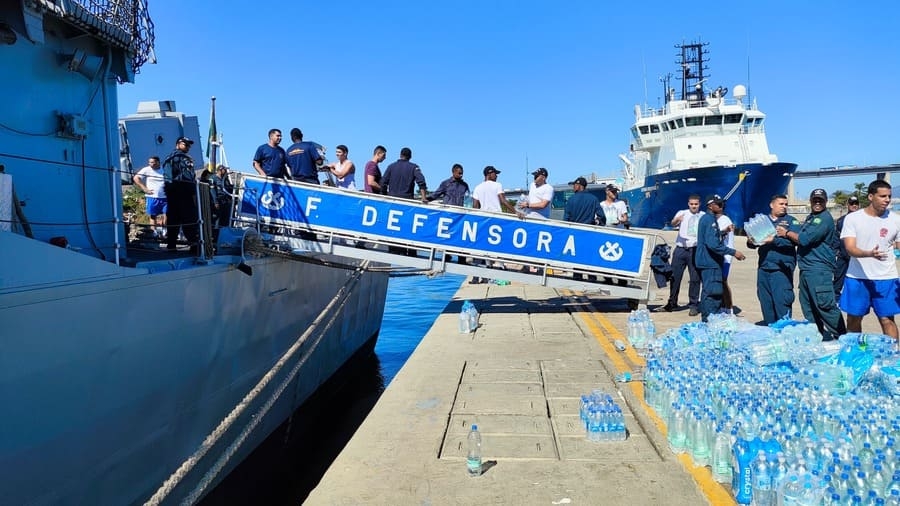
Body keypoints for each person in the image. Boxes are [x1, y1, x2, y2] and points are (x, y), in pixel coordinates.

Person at [776, 188, 846, 341]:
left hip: (818, 269)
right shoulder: (811, 218)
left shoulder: (823, 219)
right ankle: (818, 338)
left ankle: (843, 338)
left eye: (821, 200)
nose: (817, 203)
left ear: (826, 202)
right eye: (815, 200)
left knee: (825, 306)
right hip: (807, 268)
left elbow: (804, 239)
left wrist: (786, 233)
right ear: (811, 201)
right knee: (809, 307)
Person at [839, 179, 900, 339]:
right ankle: (854, 352)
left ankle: (893, 357)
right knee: (853, 318)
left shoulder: (896, 220)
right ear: (871, 196)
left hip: (886, 278)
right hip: (858, 277)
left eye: (889, 196)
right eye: (882, 196)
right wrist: (869, 254)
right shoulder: (853, 219)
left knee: (887, 319)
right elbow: (850, 248)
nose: (887, 200)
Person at [747, 194, 799, 325]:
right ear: (772, 205)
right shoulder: (762, 221)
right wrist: (751, 241)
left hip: (781, 269)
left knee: (782, 301)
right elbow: (752, 244)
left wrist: (774, 240)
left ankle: (784, 331)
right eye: (781, 204)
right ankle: (770, 328)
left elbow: (796, 242)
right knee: (766, 302)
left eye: (786, 204)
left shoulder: (791, 221)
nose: (784, 207)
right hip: (764, 267)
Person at [695, 195, 746, 321]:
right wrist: (733, 252)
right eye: (718, 204)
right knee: (713, 292)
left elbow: (711, 237)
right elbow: (713, 244)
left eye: (722, 204)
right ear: (710, 206)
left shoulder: (708, 219)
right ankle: (709, 321)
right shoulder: (709, 220)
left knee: (710, 290)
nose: (721, 206)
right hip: (710, 262)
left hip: (707, 261)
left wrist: (724, 231)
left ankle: (708, 319)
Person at [470, 166, 518, 284]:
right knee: (499, 244)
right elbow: (503, 200)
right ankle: (501, 266)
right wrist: (516, 212)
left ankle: (488, 269)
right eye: (495, 174)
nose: (496, 176)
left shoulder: (477, 187)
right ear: (489, 174)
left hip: (484, 220)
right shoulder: (497, 185)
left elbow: (475, 206)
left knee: (486, 245)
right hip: (497, 219)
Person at [659, 194, 703, 314]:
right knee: (675, 277)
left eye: (696, 204)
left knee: (695, 278)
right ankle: (672, 302)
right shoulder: (682, 213)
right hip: (681, 249)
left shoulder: (703, 216)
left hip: (695, 249)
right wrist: (677, 220)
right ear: (688, 204)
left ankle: (693, 304)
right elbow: (673, 224)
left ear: (699, 204)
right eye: (691, 204)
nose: (693, 206)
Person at [382, 147, 427, 256]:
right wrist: (423, 197)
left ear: (400, 155)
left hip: (392, 202)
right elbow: (421, 181)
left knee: (392, 227)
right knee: (407, 227)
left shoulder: (391, 167)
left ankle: (393, 249)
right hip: (407, 203)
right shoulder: (413, 167)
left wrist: (384, 196)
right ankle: (410, 251)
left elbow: (383, 183)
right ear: (410, 157)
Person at [162, 136, 199, 252]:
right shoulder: (175, 157)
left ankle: (176, 245)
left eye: (189, 145)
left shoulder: (182, 157)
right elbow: (169, 177)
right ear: (178, 144)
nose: (188, 147)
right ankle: (190, 245)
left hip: (182, 193)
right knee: (185, 220)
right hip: (180, 193)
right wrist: (172, 190)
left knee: (178, 220)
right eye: (185, 144)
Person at [564, 176, 603, 282]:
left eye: (574, 185)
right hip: (589, 232)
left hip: (575, 233)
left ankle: (577, 276)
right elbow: (601, 216)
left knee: (577, 256)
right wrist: (598, 224)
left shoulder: (571, 200)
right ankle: (591, 277)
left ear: (579, 186)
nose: (573, 187)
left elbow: (566, 219)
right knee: (589, 255)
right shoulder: (593, 199)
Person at [132, 155, 167, 237]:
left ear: (158, 162)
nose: (151, 164)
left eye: (153, 162)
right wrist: (144, 188)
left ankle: (165, 229)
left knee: (166, 213)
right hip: (152, 196)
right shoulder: (146, 169)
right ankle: (153, 231)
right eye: (150, 162)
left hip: (165, 196)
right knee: (153, 215)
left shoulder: (164, 169)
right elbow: (136, 178)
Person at [834, 195, 860, 298]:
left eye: (856, 204)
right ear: (847, 205)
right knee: (838, 277)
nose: (854, 205)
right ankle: (836, 297)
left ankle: (856, 297)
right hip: (843, 255)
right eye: (851, 203)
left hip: (857, 255)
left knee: (856, 278)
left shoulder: (863, 219)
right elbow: (836, 237)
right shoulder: (841, 220)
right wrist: (835, 251)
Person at [717, 206, 738, 314]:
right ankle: (721, 305)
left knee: (723, 281)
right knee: (718, 281)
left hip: (725, 256)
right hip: (717, 256)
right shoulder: (713, 219)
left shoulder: (725, 220)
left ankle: (729, 307)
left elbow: (719, 237)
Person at [212, 164, 234, 229]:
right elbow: (212, 191)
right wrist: (215, 202)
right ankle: (215, 234)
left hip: (226, 201)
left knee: (226, 219)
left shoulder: (225, 179)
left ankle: (224, 233)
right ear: (220, 170)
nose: (226, 171)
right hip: (218, 201)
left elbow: (229, 189)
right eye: (224, 169)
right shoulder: (213, 178)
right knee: (217, 219)